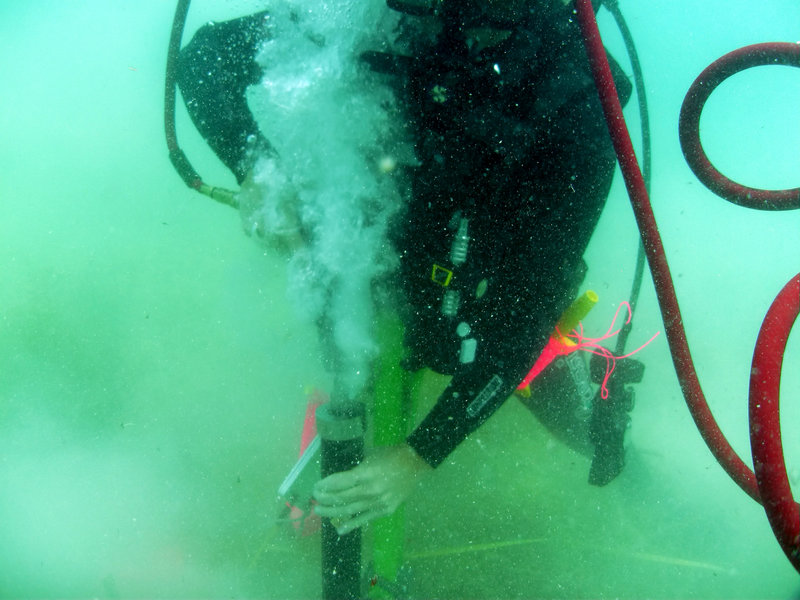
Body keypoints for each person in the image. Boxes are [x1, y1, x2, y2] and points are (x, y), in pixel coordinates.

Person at [177, 0, 631, 536]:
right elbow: (206, 59)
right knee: (350, 362)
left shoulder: (578, 85)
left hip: (487, 295)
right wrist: (255, 169)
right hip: (371, 260)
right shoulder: (367, 16)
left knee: (580, 420)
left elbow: (526, 305)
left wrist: (417, 458)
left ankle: (623, 446)